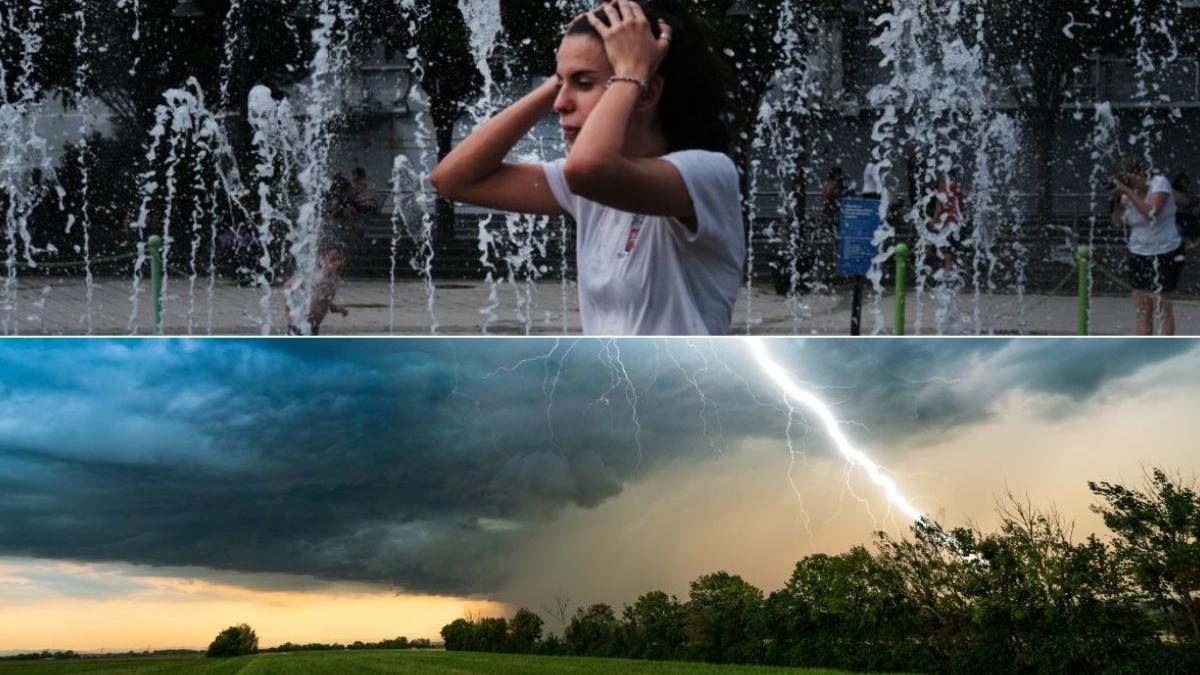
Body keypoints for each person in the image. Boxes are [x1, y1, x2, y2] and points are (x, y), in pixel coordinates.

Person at [429, 0, 744, 336]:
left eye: (583, 83)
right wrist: (563, 74)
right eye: (560, 84)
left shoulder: (708, 174)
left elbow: (588, 169)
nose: (560, 104)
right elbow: (452, 180)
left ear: (646, 91)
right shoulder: (589, 189)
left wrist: (633, 69)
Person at [1110, 156, 1184, 335]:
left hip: (1166, 250)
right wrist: (1117, 201)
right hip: (1138, 252)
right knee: (1143, 310)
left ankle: (1165, 350)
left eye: (1132, 177)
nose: (1130, 181)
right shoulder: (1128, 195)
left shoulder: (1159, 183)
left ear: (1142, 173)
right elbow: (1117, 221)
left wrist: (1128, 191)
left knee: (1162, 308)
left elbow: (1152, 213)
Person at [286, 248, 349, 336]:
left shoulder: (334, 282)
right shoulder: (316, 277)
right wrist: (289, 309)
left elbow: (325, 301)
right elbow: (289, 286)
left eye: (339, 260)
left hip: (314, 325)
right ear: (323, 261)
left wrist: (337, 309)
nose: (336, 263)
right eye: (333, 260)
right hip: (301, 324)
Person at [1172, 172, 1199, 242]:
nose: (1184, 185)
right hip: (1178, 217)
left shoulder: (1186, 192)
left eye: (1185, 183)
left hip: (1187, 216)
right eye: (1182, 183)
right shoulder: (1173, 193)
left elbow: (1193, 204)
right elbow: (1183, 202)